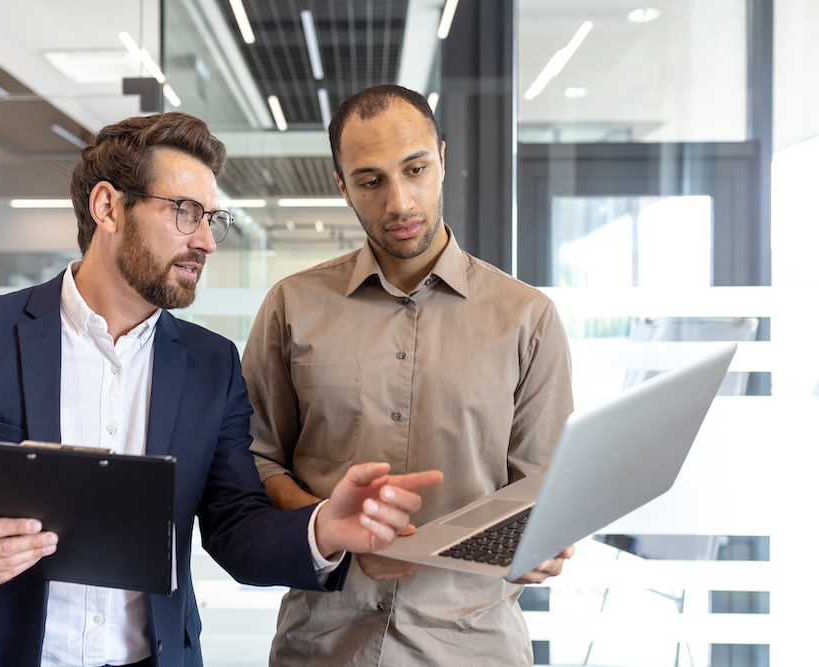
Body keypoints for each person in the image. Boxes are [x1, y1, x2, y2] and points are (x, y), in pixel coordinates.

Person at [0, 111, 442, 667]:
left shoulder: (210, 364)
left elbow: (235, 524)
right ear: (107, 207)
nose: (206, 241)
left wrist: (322, 529)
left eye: (213, 219)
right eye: (185, 211)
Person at [242, 84, 575, 665]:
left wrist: (543, 540)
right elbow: (256, 459)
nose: (399, 202)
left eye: (415, 169)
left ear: (442, 159)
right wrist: (334, 533)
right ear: (342, 186)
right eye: (371, 181)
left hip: (472, 648)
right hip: (321, 647)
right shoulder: (292, 306)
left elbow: (544, 492)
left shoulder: (528, 318)